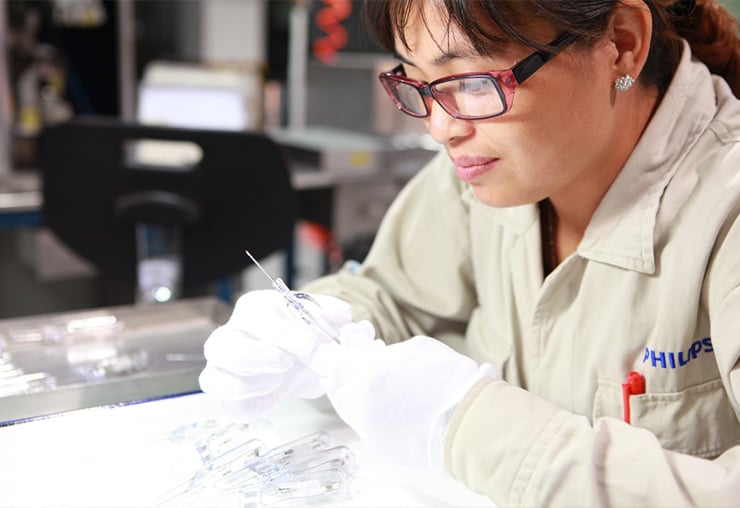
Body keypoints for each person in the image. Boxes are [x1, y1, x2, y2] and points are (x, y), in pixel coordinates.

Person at [199, 0, 740, 505]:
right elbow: (394, 295)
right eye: (418, 81)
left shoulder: (726, 206)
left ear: (621, 43)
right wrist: (316, 328)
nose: (440, 128)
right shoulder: (488, 168)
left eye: (474, 82)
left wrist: (470, 426)